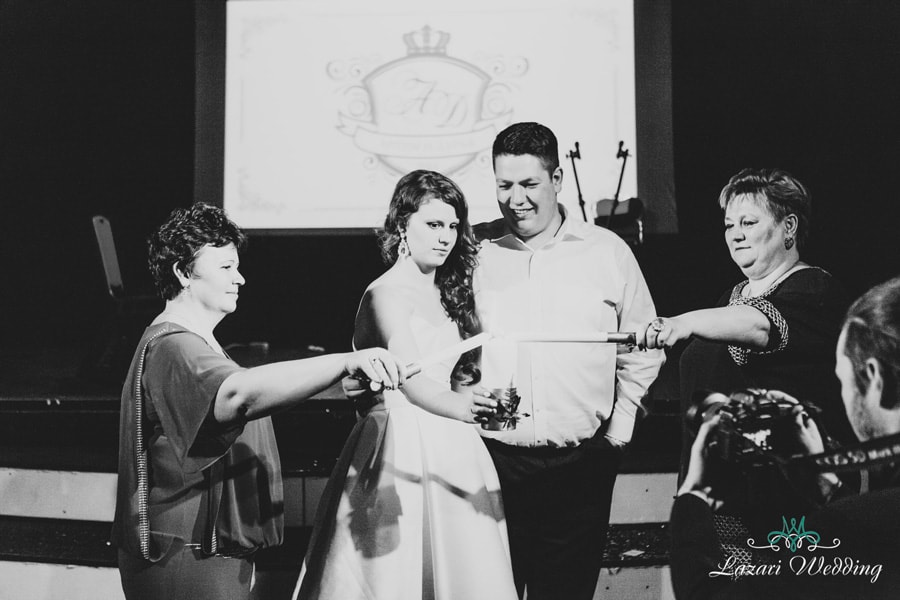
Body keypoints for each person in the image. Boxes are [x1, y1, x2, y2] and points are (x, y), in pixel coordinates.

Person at [111, 203, 406, 600]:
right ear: (183, 272)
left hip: (204, 549)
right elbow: (239, 396)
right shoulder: (174, 346)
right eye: (225, 267)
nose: (240, 278)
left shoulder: (194, 344)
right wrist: (342, 362)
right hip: (185, 551)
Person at [294, 170, 518, 600]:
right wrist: (466, 409)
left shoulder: (452, 292)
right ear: (402, 225)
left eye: (453, 225)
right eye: (433, 224)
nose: (446, 236)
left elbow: (461, 376)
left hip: (455, 448)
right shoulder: (385, 295)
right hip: (398, 447)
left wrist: (478, 400)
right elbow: (412, 380)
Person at [473, 122, 666, 600]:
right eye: (504, 184)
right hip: (490, 463)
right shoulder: (474, 253)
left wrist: (617, 434)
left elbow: (643, 346)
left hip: (580, 466)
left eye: (529, 184)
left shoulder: (608, 252)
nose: (515, 199)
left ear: (557, 179)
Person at [639, 168, 857, 531]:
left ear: (788, 227)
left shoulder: (814, 290)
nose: (736, 234)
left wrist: (682, 323)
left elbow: (760, 325)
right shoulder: (732, 298)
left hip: (783, 509)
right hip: (716, 503)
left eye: (748, 222)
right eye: (729, 225)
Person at [670, 275, 900, 599]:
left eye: (842, 379)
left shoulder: (846, 529)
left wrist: (693, 497)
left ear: (876, 378)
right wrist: (828, 487)